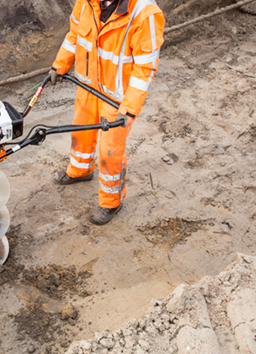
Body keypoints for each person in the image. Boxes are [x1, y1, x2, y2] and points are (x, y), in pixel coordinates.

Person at [49, 0, 165, 225]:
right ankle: (80, 170)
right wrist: (59, 65)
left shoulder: (144, 14)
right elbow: (74, 35)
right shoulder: (86, 3)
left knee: (110, 150)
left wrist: (130, 109)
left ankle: (111, 202)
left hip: (117, 98)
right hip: (88, 85)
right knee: (80, 131)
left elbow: (145, 68)